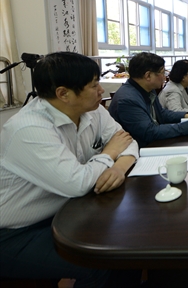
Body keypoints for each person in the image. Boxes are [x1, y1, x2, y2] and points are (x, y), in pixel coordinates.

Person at [0, 52, 140, 286]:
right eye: (94, 85)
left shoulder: (92, 110)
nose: (101, 90)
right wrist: (109, 153)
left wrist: (118, 168)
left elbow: (127, 141)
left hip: (65, 212)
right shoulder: (29, 128)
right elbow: (78, 184)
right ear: (63, 94)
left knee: (130, 238)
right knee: (100, 259)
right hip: (14, 232)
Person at [109, 52, 188, 147]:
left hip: (154, 142)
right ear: (148, 76)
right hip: (141, 149)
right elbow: (149, 132)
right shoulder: (128, 100)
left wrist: (187, 115)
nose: (165, 77)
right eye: (162, 73)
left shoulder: (148, 89)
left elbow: (161, 114)